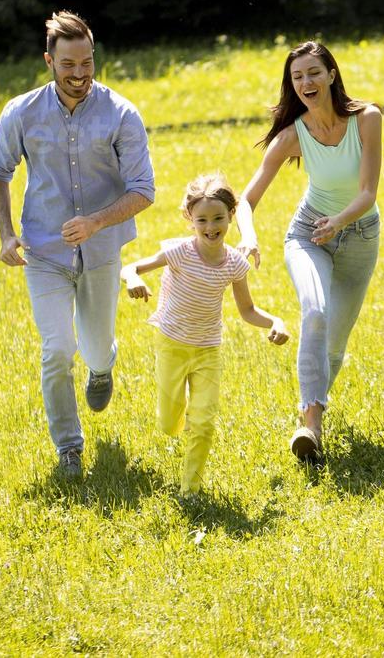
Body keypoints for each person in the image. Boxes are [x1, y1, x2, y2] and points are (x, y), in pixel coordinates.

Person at [0, 11, 155, 479]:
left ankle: (102, 368)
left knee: (96, 349)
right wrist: (5, 234)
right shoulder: (21, 112)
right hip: (44, 252)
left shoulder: (121, 113)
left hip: (102, 252)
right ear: (48, 61)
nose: (79, 75)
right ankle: (69, 449)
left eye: (87, 63)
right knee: (57, 348)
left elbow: (144, 189)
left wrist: (97, 222)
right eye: (68, 66)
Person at [235, 41, 382, 466]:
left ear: (331, 74)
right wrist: (249, 236)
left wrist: (338, 222)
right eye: (297, 77)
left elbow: (368, 194)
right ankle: (310, 424)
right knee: (314, 312)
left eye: (313, 72)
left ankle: (313, 408)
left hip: (358, 235)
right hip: (307, 234)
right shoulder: (293, 135)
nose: (306, 82)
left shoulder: (366, 119)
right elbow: (247, 199)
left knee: (334, 344)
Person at [121, 173, 289, 496]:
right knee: (170, 424)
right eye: (202, 220)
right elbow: (131, 268)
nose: (211, 227)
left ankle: (190, 490)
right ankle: (179, 411)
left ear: (231, 216)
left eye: (218, 218)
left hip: (208, 350)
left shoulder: (234, 264)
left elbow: (247, 311)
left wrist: (275, 322)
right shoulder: (179, 252)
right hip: (172, 344)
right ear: (189, 219)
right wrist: (132, 281)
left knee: (204, 422)